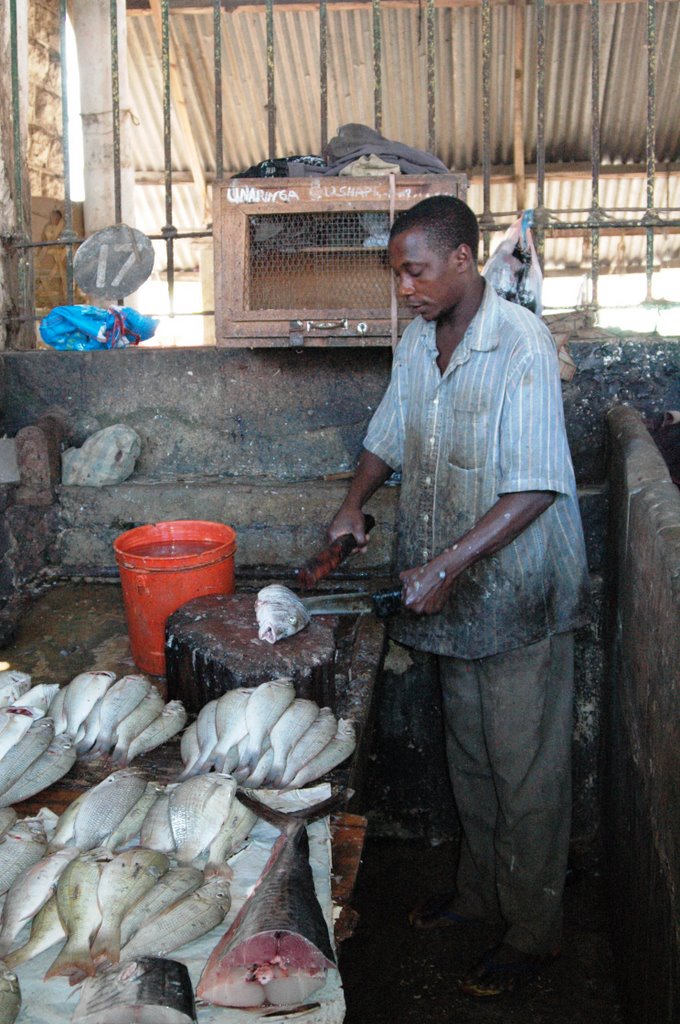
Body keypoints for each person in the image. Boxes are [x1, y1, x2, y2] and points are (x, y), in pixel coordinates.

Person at [327, 195, 591, 998]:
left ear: (463, 260)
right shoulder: (417, 342)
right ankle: (480, 898)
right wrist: (353, 502)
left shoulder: (520, 344)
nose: (404, 287)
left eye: (414, 271)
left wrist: (445, 566)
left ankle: (535, 931)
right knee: (470, 759)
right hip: (450, 600)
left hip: (514, 594)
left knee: (526, 773)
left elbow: (538, 483)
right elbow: (388, 433)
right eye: (397, 274)